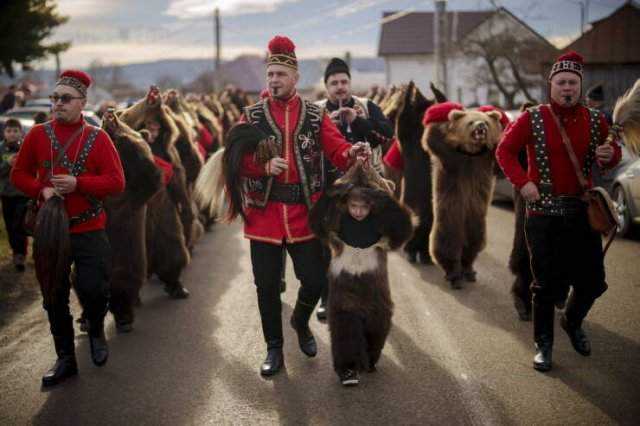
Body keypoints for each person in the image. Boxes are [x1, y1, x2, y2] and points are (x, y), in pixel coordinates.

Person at [227, 35, 370, 377]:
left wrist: (352, 153)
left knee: (315, 281)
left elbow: (337, 149)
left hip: (305, 213)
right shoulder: (253, 115)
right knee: (266, 287)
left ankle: (300, 322)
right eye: (270, 74)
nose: (273, 80)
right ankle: (273, 349)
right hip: (264, 216)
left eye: (280, 74)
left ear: (295, 78)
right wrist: (261, 167)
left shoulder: (314, 115)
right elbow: (234, 160)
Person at [496, 52, 621, 372]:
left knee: (593, 283)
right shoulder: (532, 118)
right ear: (551, 86)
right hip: (542, 215)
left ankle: (572, 321)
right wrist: (523, 183)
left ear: (580, 86)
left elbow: (609, 159)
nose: (567, 88)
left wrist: (609, 154)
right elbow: (504, 151)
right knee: (546, 286)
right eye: (561, 82)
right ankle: (543, 345)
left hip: (582, 213)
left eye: (573, 83)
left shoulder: (596, 121)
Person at [10, 70, 125, 387]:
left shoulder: (98, 138)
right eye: (54, 98)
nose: (58, 103)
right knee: (53, 295)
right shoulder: (36, 135)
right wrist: (40, 190)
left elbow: (117, 182)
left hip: (89, 227)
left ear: (82, 103)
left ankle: (97, 329)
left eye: (65, 98)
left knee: (94, 288)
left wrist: (78, 183)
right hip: (51, 231)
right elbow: (18, 175)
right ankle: (65, 358)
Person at [308, 160, 412, 386]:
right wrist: (328, 196)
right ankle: (347, 368)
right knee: (345, 319)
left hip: (374, 276)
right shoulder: (338, 215)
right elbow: (316, 223)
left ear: (371, 206)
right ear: (347, 204)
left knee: (379, 318)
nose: (358, 211)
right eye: (354, 206)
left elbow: (404, 228)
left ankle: (370, 355)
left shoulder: (380, 215)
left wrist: (389, 202)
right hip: (343, 274)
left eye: (363, 207)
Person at [314, 57, 394, 320]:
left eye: (344, 82)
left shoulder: (368, 107)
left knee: (369, 244)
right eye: (334, 83)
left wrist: (358, 122)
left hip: (367, 190)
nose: (340, 87)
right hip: (332, 189)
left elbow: (387, 135)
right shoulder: (316, 112)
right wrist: (330, 127)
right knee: (330, 245)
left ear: (350, 83)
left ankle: (369, 299)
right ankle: (328, 299)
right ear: (326, 87)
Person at [0, 118, 28, 271]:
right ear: (4, 133)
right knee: (10, 225)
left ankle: (20, 255)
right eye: (9, 131)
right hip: (6, 194)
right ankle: (15, 250)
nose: (12, 134)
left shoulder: (25, 148)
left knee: (19, 225)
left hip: (22, 194)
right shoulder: (1, 149)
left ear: (20, 132)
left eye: (15, 131)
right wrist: (7, 164)